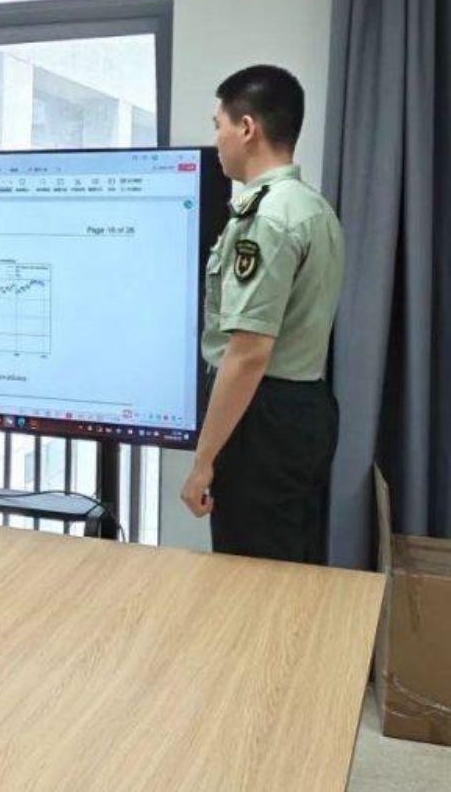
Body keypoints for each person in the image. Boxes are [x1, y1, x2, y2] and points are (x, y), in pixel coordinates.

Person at [180, 65, 344, 565]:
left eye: (219, 125)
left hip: (263, 420)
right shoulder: (313, 208)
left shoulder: (267, 219)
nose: (216, 140)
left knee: (252, 578)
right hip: (304, 407)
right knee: (291, 568)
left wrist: (203, 461)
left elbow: (248, 352)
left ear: (247, 128)